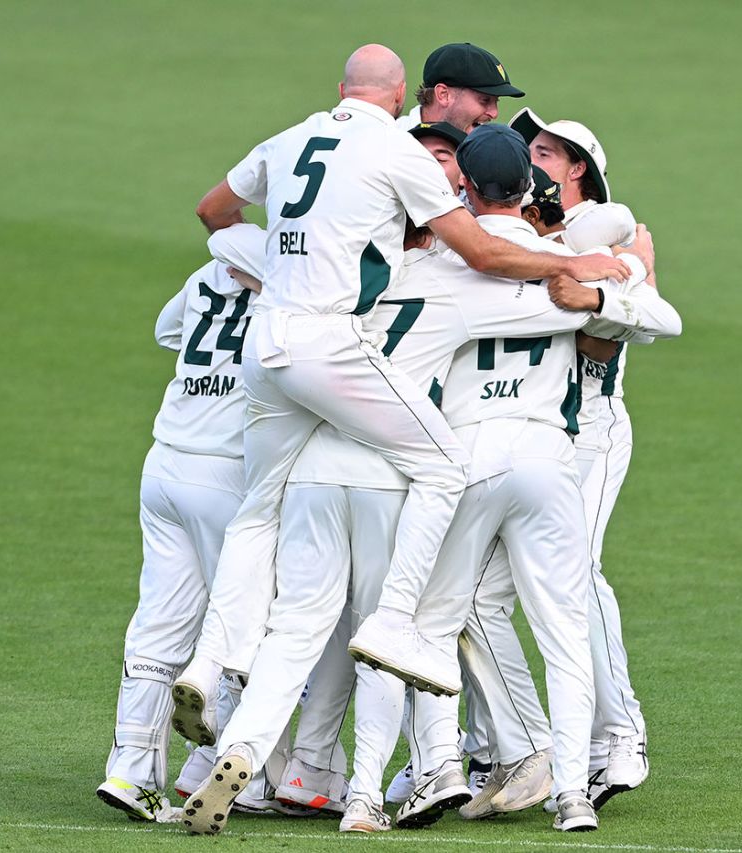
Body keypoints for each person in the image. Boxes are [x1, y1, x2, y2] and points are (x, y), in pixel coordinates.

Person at [174, 45, 628, 836]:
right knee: (400, 598)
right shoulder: (405, 187)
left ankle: (220, 686)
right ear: (412, 97)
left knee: (279, 579)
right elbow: (499, 262)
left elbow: (217, 220)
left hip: (283, 383)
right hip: (364, 432)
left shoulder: (290, 142)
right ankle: (367, 796)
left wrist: (285, 263)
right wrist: (594, 268)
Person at [352, 125, 682, 834]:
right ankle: (573, 795)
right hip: (548, 460)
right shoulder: (562, 263)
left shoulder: (441, 269)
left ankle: (434, 766)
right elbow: (664, 319)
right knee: (562, 629)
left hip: (468, 459)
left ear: (464, 189)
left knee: (435, 622)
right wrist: (603, 290)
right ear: (529, 190)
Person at [511, 107, 657, 807]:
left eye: (546, 148)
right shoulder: (518, 229)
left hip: (589, 427)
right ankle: (502, 750)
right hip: (527, 429)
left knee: (578, 571)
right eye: (526, 146)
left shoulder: (609, 229)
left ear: (577, 171)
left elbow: (602, 343)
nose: (531, 155)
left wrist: (594, 270)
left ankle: (619, 739)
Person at [94, 224, 263, 822]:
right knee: (247, 617)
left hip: (164, 464)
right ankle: (239, 758)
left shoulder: (205, 276)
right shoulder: (289, 274)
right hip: (228, 472)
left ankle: (131, 771)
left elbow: (169, 331)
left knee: (159, 621)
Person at [396, 43, 524, 132]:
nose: (494, 113)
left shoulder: (484, 154)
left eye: (496, 101)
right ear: (443, 95)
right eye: (485, 100)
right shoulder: (390, 143)